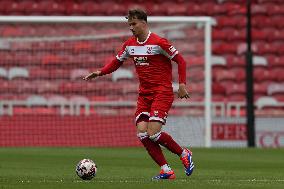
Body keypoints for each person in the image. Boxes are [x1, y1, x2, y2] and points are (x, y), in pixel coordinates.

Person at [83, 8, 194, 180]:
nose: (131, 28)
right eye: (129, 25)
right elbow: (116, 62)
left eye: (134, 24)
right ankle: (166, 170)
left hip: (162, 92)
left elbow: (181, 60)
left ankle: (183, 153)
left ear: (143, 22)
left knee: (154, 133)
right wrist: (100, 72)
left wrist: (181, 84)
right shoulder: (129, 45)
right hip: (144, 95)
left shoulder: (159, 42)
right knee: (142, 133)